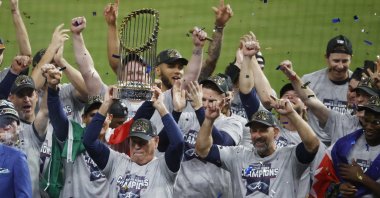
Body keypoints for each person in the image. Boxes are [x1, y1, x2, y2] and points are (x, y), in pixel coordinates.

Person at [83, 86, 184, 197]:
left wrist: (161, 107)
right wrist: (106, 103)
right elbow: (89, 141)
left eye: (142, 142)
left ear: (155, 141)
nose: (136, 146)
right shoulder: (116, 162)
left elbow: (178, 143)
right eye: (133, 141)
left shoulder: (164, 168)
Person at [311, 96, 380, 197]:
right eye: (366, 120)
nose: (369, 127)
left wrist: (361, 177)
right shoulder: (343, 145)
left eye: (376, 123)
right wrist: (338, 188)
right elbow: (321, 181)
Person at [301, 35, 353, 146]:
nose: (340, 66)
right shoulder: (309, 81)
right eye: (336, 61)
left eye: (345, 61)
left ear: (351, 59)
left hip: (345, 144)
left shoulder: (358, 85)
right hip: (315, 145)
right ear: (326, 58)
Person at [7, 75, 48, 198]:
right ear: (11, 98)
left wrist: (51, 86)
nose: (26, 99)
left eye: (30, 94)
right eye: (21, 95)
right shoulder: (7, 131)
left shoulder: (49, 128)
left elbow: (45, 111)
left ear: (36, 96)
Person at [0, 99, 32, 198]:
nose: (7, 126)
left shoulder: (17, 157)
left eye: (10, 121)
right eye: (2, 121)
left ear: (18, 126)